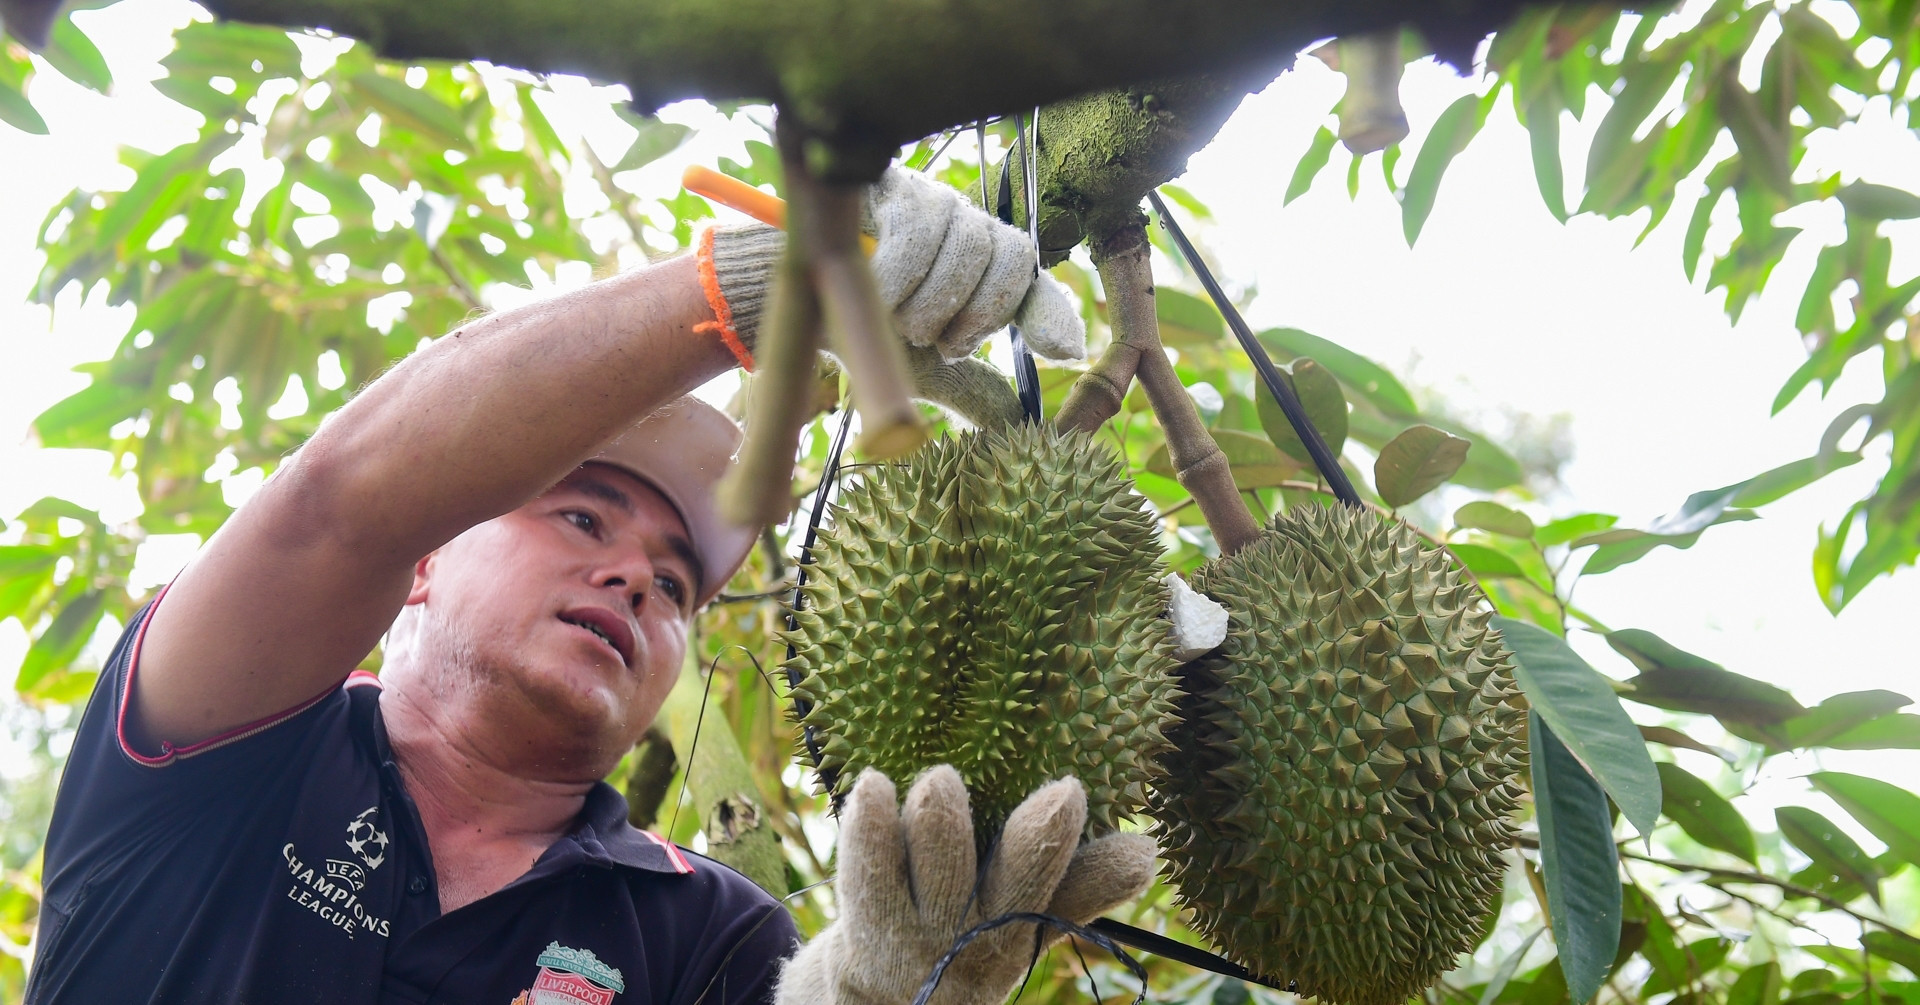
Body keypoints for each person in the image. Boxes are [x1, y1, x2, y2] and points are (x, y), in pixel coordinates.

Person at [25, 166, 1158, 1005]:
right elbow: (340, 506)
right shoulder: (227, 741)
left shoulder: (711, 932)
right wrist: (760, 282)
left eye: (676, 583)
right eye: (580, 517)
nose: (635, 579)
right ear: (425, 561)